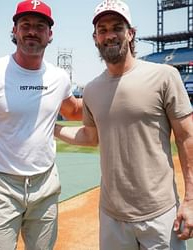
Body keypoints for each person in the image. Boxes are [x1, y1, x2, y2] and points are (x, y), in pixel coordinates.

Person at [54, 1, 193, 249]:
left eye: (117, 27)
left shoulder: (164, 76)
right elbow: (90, 136)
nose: (109, 35)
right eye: (102, 29)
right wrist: (51, 129)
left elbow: (186, 138)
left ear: (130, 33)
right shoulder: (92, 89)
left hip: (159, 214)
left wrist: (191, 201)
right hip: (111, 216)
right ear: (95, 38)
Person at [0, 1, 83, 249]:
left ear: (49, 34)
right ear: (14, 30)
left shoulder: (59, 78)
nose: (32, 31)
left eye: (40, 26)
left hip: (46, 184)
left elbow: (74, 111)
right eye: (26, 25)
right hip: (2, 188)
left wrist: (114, 94)